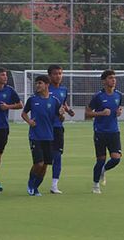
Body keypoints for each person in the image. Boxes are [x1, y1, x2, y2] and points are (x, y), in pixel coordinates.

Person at [21, 75, 64, 197]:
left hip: (49, 137)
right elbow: (24, 113)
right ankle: (31, 183)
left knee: (45, 165)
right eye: (36, 83)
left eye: (40, 83)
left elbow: (61, 118)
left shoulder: (54, 100)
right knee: (38, 163)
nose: (37, 85)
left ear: (46, 85)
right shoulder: (32, 99)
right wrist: (29, 121)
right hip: (35, 136)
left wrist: (61, 114)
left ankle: (36, 187)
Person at [85, 69, 123, 194]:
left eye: (114, 78)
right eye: (110, 78)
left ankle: (103, 170)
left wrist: (118, 113)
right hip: (100, 132)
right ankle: (95, 185)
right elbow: (87, 114)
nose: (113, 80)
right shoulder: (98, 96)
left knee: (116, 158)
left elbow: (117, 110)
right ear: (104, 81)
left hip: (114, 131)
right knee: (100, 159)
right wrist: (101, 113)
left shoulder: (119, 95)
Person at [47, 65, 75, 194]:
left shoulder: (64, 89)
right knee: (43, 160)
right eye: (55, 74)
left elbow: (63, 103)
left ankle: (54, 185)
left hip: (58, 127)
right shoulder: (45, 89)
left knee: (57, 156)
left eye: (60, 73)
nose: (58, 76)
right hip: (45, 128)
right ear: (49, 76)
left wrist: (68, 110)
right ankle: (34, 183)